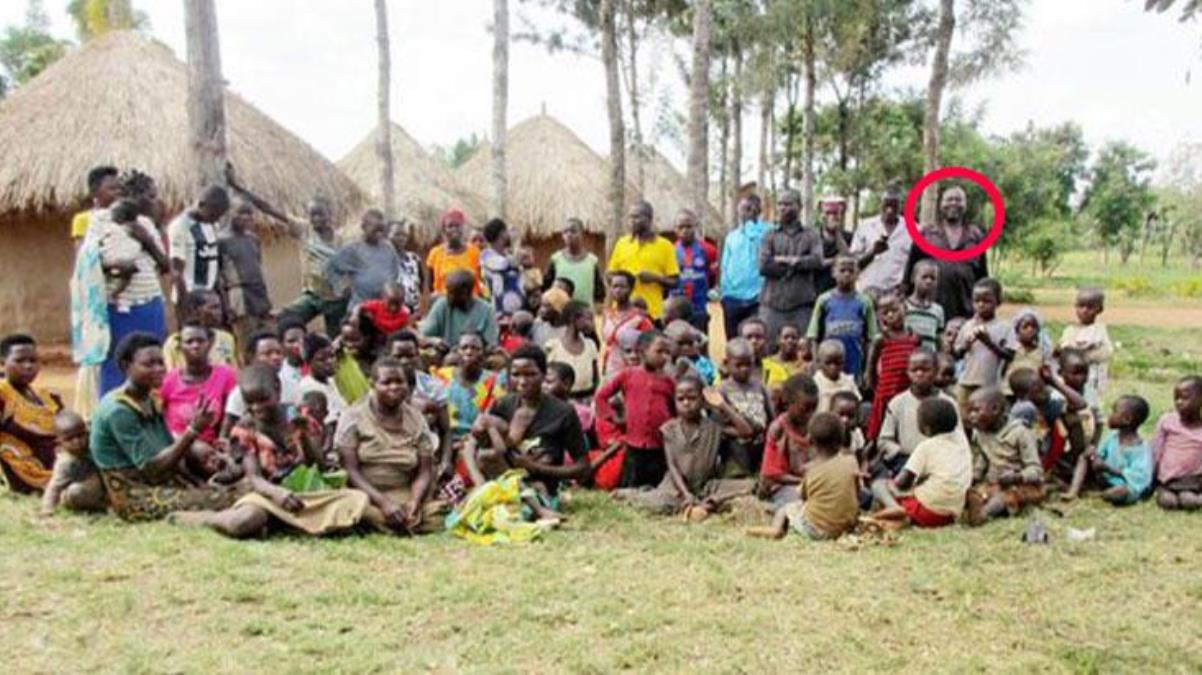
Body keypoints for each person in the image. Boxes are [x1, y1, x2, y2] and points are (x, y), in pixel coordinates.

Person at [172, 365, 367, 538]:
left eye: (263, 400)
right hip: (266, 496)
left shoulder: (297, 415)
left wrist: (304, 435)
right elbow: (254, 478)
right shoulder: (244, 428)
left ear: (278, 390)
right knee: (245, 521)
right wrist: (277, 494)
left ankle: (282, 524)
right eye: (250, 401)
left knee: (357, 500)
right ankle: (208, 519)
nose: (256, 408)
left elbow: (319, 466)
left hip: (304, 493)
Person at [89, 333, 237, 521]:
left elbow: (169, 453)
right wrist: (192, 431)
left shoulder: (150, 400)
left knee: (227, 490)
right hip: (135, 495)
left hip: (161, 482)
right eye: (149, 364)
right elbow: (151, 469)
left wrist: (196, 483)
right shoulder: (118, 410)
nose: (159, 369)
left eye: (161, 362)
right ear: (127, 366)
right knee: (226, 498)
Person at [467, 345, 590, 511]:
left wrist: (537, 468)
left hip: (542, 490)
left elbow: (583, 467)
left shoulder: (563, 413)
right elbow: (471, 446)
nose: (522, 382)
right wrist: (479, 483)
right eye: (516, 375)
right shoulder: (503, 404)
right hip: (501, 483)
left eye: (530, 374)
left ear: (544, 375)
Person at [616, 376, 753, 518]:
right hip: (676, 487)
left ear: (703, 401)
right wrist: (686, 494)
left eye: (692, 398)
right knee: (657, 504)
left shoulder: (714, 427)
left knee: (748, 486)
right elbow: (672, 466)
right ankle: (633, 494)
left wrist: (722, 405)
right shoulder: (669, 429)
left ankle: (707, 503)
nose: (686, 403)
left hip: (705, 486)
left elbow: (747, 431)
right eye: (681, 399)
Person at [336, 357, 446, 534]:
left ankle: (389, 522)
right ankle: (380, 521)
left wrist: (414, 501)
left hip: (402, 493)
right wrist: (384, 503)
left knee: (439, 513)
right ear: (373, 384)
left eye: (399, 382)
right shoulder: (353, 417)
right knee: (353, 506)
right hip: (365, 494)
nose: (394, 387)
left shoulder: (417, 419)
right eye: (386, 382)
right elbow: (350, 470)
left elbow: (425, 470)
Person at [86, 191, 170, 395]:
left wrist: (145, 239)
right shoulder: (98, 221)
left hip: (149, 301)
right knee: (117, 360)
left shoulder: (146, 225)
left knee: (152, 358)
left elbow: (164, 264)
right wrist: (117, 264)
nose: (152, 200)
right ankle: (113, 409)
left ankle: (150, 410)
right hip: (118, 306)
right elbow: (88, 259)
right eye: (147, 194)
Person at [748, 412, 861, 541]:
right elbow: (856, 491)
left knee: (786, 508)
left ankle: (775, 529)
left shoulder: (812, 471)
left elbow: (803, 497)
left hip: (815, 530)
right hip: (846, 527)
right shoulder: (852, 461)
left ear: (810, 441)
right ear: (841, 439)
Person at [871, 397, 971, 528]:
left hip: (927, 510)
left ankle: (896, 509)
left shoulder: (926, 447)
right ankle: (904, 518)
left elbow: (902, 483)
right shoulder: (961, 440)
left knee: (879, 485)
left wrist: (893, 485)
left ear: (927, 429)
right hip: (950, 515)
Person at [594, 331, 676, 488]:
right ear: (642, 351)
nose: (664, 357)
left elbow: (674, 408)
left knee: (657, 480)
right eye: (659, 351)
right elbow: (602, 396)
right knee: (631, 481)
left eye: (667, 353)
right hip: (633, 442)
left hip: (660, 443)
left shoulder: (669, 381)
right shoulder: (628, 375)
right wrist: (613, 418)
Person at [902, 186, 989, 321]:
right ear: (941, 204)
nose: (953, 203)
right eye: (949, 199)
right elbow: (910, 273)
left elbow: (982, 277)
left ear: (965, 205)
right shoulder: (926, 234)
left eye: (958, 200)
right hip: (931, 311)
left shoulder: (975, 235)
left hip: (966, 313)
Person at [964, 388, 1044, 525]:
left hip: (1022, 485)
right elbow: (983, 459)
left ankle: (983, 515)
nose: (972, 416)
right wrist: (973, 477)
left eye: (976, 410)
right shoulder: (980, 433)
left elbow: (1036, 470)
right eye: (969, 411)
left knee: (1004, 498)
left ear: (995, 409)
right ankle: (978, 510)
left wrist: (1017, 476)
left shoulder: (1020, 432)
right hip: (994, 484)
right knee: (974, 493)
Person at [875, 351, 959, 478]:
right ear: (907, 372)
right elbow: (884, 440)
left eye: (925, 370)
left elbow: (958, 438)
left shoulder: (948, 403)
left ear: (936, 371)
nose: (919, 374)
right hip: (906, 460)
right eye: (914, 370)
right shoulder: (898, 403)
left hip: (939, 461)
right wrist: (901, 453)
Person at [758, 189, 823, 351]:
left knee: (803, 351)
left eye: (788, 204)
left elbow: (817, 261)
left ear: (799, 206)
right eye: (780, 204)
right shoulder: (769, 235)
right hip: (771, 305)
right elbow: (763, 265)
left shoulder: (811, 235)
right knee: (767, 350)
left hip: (802, 306)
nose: (782, 208)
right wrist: (799, 264)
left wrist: (790, 261)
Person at [0, 335, 63, 492]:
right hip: (28, 473)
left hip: (60, 466)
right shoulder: (3, 394)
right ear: (2, 363)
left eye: (33, 361)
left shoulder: (46, 396)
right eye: (20, 361)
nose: (28, 366)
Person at [160, 323, 238, 446]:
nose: (195, 346)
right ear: (180, 346)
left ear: (210, 343)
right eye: (189, 342)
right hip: (177, 447)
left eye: (200, 341)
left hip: (213, 445)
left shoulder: (225, 375)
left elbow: (232, 413)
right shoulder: (169, 380)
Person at [1065, 395, 1152, 504]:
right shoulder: (1112, 437)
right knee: (1085, 455)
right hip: (1105, 478)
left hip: (1124, 485)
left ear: (1127, 419)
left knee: (1120, 492)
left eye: (1114, 412)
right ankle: (1073, 491)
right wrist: (1095, 456)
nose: (1110, 416)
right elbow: (1100, 455)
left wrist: (1107, 468)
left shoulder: (1141, 448)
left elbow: (1139, 477)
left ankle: (1099, 495)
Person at [280, 199, 347, 333]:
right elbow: (272, 211)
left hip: (335, 298)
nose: (316, 218)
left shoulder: (342, 239)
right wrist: (242, 191)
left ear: (329, 214)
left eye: (320, 214)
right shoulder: (304, 230)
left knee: (336, 337)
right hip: (313, 294)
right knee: (287, 320)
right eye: (312, 215)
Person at [607, 201, 680, 321]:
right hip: (623, 313)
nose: (632, 221)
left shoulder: (665, 246)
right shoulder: (622, 244)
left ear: (649, 219)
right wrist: (624, 280)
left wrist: (655, 278)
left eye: (636, 217)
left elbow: (675, 282)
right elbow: (610, 274)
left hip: (653, 312)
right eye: (630, 217)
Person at [806, 256, 877, 379]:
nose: (847, 274)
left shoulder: (864, 302)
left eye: (851, 271)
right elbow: (813, 336)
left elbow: (872, 338)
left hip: (854, 363)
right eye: (842, 270)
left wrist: (868, 370)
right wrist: (817, 363)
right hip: (827, 364)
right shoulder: (824, 300)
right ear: (833, 273)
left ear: (858, 274)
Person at [218, 200, 274, 350]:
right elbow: (218, 275)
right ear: (230, 213)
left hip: (259, 293)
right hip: (239, 296)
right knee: (247, 343)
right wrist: (226, 305)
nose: (247, 217)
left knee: (268, 339)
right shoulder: (221, 241)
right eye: (241, 213)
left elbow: (257, 266)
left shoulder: (253, 239)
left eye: (250, 214)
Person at [759, 374, 820, 510]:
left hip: (812, 482)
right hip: (785, 486)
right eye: (805, 410)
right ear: (787, 404)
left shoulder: (816, 425)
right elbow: (772, 474)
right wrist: (803, 482)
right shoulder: (778, 430)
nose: (810, 415)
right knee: (800, 503)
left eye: (813, 409)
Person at [168, 186, 229, 318]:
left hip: (211, 299)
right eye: (213, 215)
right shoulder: (180, 227)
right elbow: (176, 271)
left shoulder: (211, 224)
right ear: (201, 205)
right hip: (190, 300)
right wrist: (185, 305)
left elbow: (213, 263)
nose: (216, 219)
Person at [223, 331, 302, 434]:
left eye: (278, 353)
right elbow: (226, 432)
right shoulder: (241, 391)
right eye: (267, 353)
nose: (275, 357)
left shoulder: (292, 385)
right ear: (252, 358)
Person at [865, 294, 920, 440]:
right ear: (879, 316)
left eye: (894, 310)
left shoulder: (913, 336)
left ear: (904, 308)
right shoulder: (881, 338)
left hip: (907, 388)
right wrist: (876, 388)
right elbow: (870, 367)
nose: (890, 315)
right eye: (885, 312)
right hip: (887, 390)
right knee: (879, 429)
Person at [951, 278, 1010, 415]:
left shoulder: (1004, 327)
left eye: (986, 301)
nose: (981, 305)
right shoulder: (968, 325)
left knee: (985, 417)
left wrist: (988, 341)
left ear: (998, 302)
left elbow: (1009, 355)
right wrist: (965, 346)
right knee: (962, 416)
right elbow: (956, 353)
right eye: (976, 301)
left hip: (989, 383)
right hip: (966, 380)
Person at [717, 338, 774, 477]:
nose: (744, 369)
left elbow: (771, 416)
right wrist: (739, 433)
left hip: (760, 446)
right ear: (727, 363)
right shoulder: (722, 390)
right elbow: (717, 426)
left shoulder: (760, 386)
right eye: (739, 365)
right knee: (738, 478)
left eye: (749, 364)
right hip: (735, 448)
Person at [326, 209, 402, 311]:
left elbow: (394, 273)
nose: (379, 233)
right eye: (375, 229)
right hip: (361, 308)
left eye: (381, 229)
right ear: (363, 227)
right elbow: (331, 267)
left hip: (383, 310)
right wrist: (339, 288)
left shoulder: (389, 248)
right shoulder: (353, 249)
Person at [720, 195, 772, 342]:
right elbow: (725, 266)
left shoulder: (768, 232)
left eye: (750, 209)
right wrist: (725, 295)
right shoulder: (732, 237)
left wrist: (753, 226)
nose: (745, 213)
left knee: (756, 340)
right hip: (732, 297)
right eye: (742, 208)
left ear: (758, 210)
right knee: (733, 341)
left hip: (758, 298)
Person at [850, 186, 912, 297]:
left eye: (894, 206)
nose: (889, 210)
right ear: (880, 204)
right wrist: (872, 252)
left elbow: (915, 263)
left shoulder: (912, 229)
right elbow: (853, 264)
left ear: (900, 206)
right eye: (886, 205)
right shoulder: (865, 226)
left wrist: (906, 285)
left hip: (895, 295)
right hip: (866, 292)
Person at [40, 411, 106, 515]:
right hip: (83, 489)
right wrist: (47, 510)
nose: (77, 441)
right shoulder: (65, 462)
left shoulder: (94, 443)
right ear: (59, 442)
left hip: (102, 483)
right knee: (76, 492)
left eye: (80, 435)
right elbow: (54, 488)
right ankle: (102, 506)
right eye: (69, 439)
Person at [1152, 375, 1202, 511]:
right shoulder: (1167, 421)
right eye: (1176, 398)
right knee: (1168, 502)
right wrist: (1151, 479)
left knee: (1189, 501)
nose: (1179, 402)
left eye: (1185, 398)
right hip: (1167, 481)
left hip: (1192, 481)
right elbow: (1156, 451)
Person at [1058, 287, 1113, 407]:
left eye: (1090, 307)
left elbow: (1106, 353)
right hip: (1069, 378)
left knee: (1090, 405)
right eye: (1080, 306)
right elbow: (1064, 350)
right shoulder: (1069, 330)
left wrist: (1082, 353)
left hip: (1091, 379)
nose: (1084, 311)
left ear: (1099, 310)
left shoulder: (1099, 331)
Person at [420, 270, 499, 348]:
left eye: (452, 293)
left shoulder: (486, 310)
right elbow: (423, 336)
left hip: (476, 356)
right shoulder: (442, 304)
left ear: (465, 293)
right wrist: (435, 341)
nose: (448, 296)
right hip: (446, 356)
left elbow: (491, 344)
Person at [164, 290, 238, 370]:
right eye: (214, 307)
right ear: (195, 310)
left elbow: (234, 371)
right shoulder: (174, 343)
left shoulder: (226, 338)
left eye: (220, 307)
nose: (220, 312)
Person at [543, 217, 605, 308]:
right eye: (565, 232)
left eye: (573, 231)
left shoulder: (592, 261)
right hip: (561, 314)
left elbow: (599, 293)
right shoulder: (556, 259)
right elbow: (546, 287)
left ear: (582, 234)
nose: (569, 235)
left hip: (584, 315)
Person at [543, 300, 599, 400]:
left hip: (587, 400)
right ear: (574, 319)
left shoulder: (590, 345)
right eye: (588, 319)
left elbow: (595, 378)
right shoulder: (553, 347)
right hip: (561, 401)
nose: (592, 324)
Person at [670, 209, 713, 334]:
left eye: (689, 226)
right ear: (675, 229)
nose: (685, 230)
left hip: (699, 308)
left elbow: (713, 276)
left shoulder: (708, 250)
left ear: (695, 227)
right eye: (681, 227)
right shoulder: (670, 251)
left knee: (701, 342)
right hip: (676, 309)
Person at [601, 271, 652, 375]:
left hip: (632, 371)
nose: (618, 290)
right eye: (614, 286)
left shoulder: (640, 318)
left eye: (622, 287)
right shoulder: (607, 314)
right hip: (609, 370)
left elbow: (648, 347)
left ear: (631, 289)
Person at [425, 209, 481, 297]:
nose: (454, 229)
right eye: (450, 226)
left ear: (462, 228)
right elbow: (430, 286)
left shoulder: (474, 252)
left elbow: (481, 282)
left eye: (457, 225)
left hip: (470, 305)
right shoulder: (435, 253)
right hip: (444, 304)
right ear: (444, 230)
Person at [299, 334, 348, 427]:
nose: (330, 362)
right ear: (308, 362)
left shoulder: (331, 380)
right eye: (322, 359)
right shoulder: (308, 387)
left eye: (332, 356)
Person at [1002, 307, 1052, 396]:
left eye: (1033, 327)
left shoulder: (1041, 352)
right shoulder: (1012, 350)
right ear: (1017, 331)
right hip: (1010, 392)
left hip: (1031, 394)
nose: (1030, 330)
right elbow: (1003, 370)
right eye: (1025, 327)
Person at [479, 218, 525, 314]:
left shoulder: (506, 255)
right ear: (502, 234)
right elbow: (506, 264)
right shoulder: (487, 256)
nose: (509, 233)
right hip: (500, 314)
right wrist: (516, 242)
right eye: (507, 231)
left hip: (517, 312)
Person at [70, 165, 123, 244]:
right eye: (112, 188)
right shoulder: (83, 219)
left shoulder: (126, 219)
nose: (118, 192)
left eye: (120, 188)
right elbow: (81, 253)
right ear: (94, 192)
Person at [904, 260, 945, 354]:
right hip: (908, 357)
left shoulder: (938, 310)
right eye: (924, 277)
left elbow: (939, 338)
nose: (928, 281)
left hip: (930, 359)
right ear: (913, 278)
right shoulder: (903, 306)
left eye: (933, 278)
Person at [815, 197, 852, 294]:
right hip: (817, 291)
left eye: (835, 213)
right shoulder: (813, 237)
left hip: (842, 293)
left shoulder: (848, 237)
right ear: (822, 216)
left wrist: (836, 232)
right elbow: (815, 262)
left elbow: (848, 259)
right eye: (828, 213)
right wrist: (834, 260)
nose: (832, 217)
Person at [387, 219, 424, 315]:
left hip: (413, 311)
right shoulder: (382, 260)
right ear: (387, 236)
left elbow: (421, 285)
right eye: (397, 234)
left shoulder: (414, 258)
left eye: (404, 235)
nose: (401, 238)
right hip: (391, 310)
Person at [813, 339, 860, 413]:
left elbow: (857, 402)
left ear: (843, 362)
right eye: (828, 363)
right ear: (819, 362)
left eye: (838, 363)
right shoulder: (815, 383)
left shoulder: (848, 381)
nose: (833, 367)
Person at [665, 320, 716, 386]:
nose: (685, 347)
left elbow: (710, 386)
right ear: (667, 342)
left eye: (690, 343)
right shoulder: (662, 362)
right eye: (680, 343)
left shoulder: (702, 364)